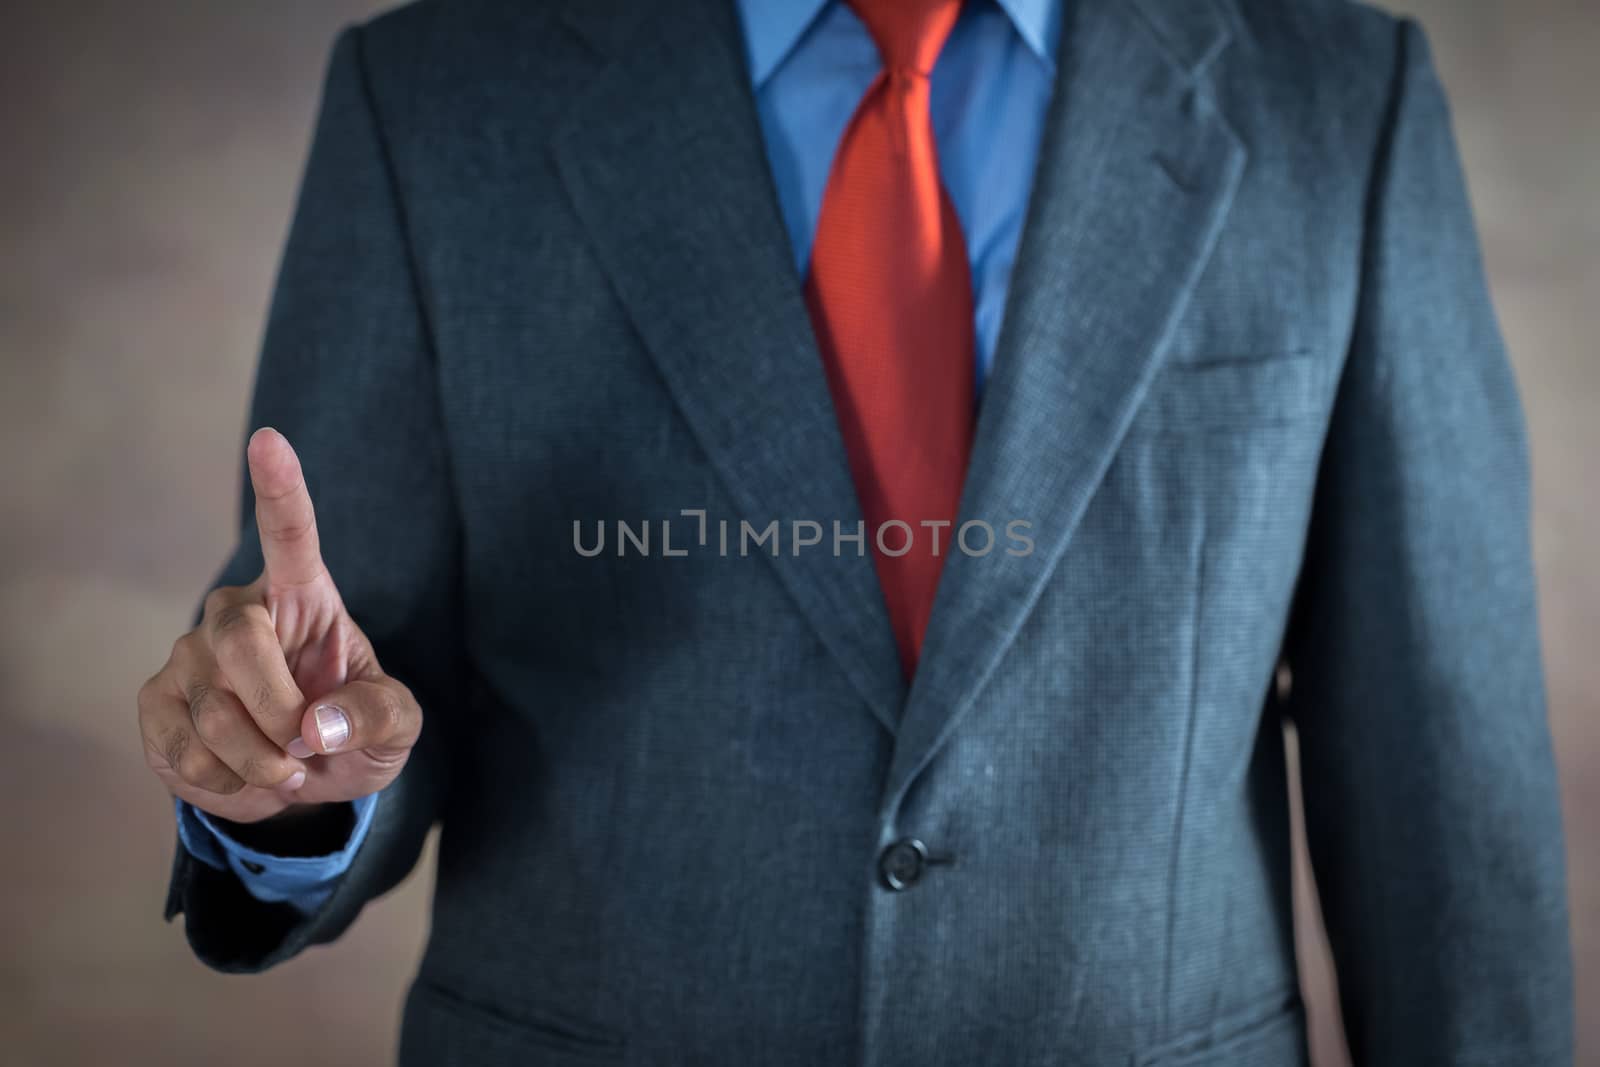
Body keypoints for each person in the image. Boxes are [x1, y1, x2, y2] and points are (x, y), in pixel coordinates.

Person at [137, 0, 1574, 1062]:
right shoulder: (438, 95)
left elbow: (1445, 787)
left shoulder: (1337, 100)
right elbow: (334, 670)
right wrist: (296, 771)